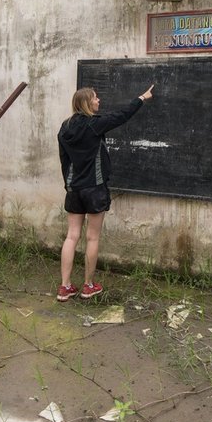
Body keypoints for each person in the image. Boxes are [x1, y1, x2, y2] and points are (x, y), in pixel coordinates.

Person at [56, 83, 154, 301]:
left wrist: (69, 185)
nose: (98, 100)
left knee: (71, 236)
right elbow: (122, 115)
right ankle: (88, 286)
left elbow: (64, 160)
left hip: (74, 189)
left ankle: (65, 287)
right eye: (95, 98)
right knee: (92, 238)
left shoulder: (64, 128)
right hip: (95, 188)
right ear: (86, 103)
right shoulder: (95, 125)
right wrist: (141, 98)